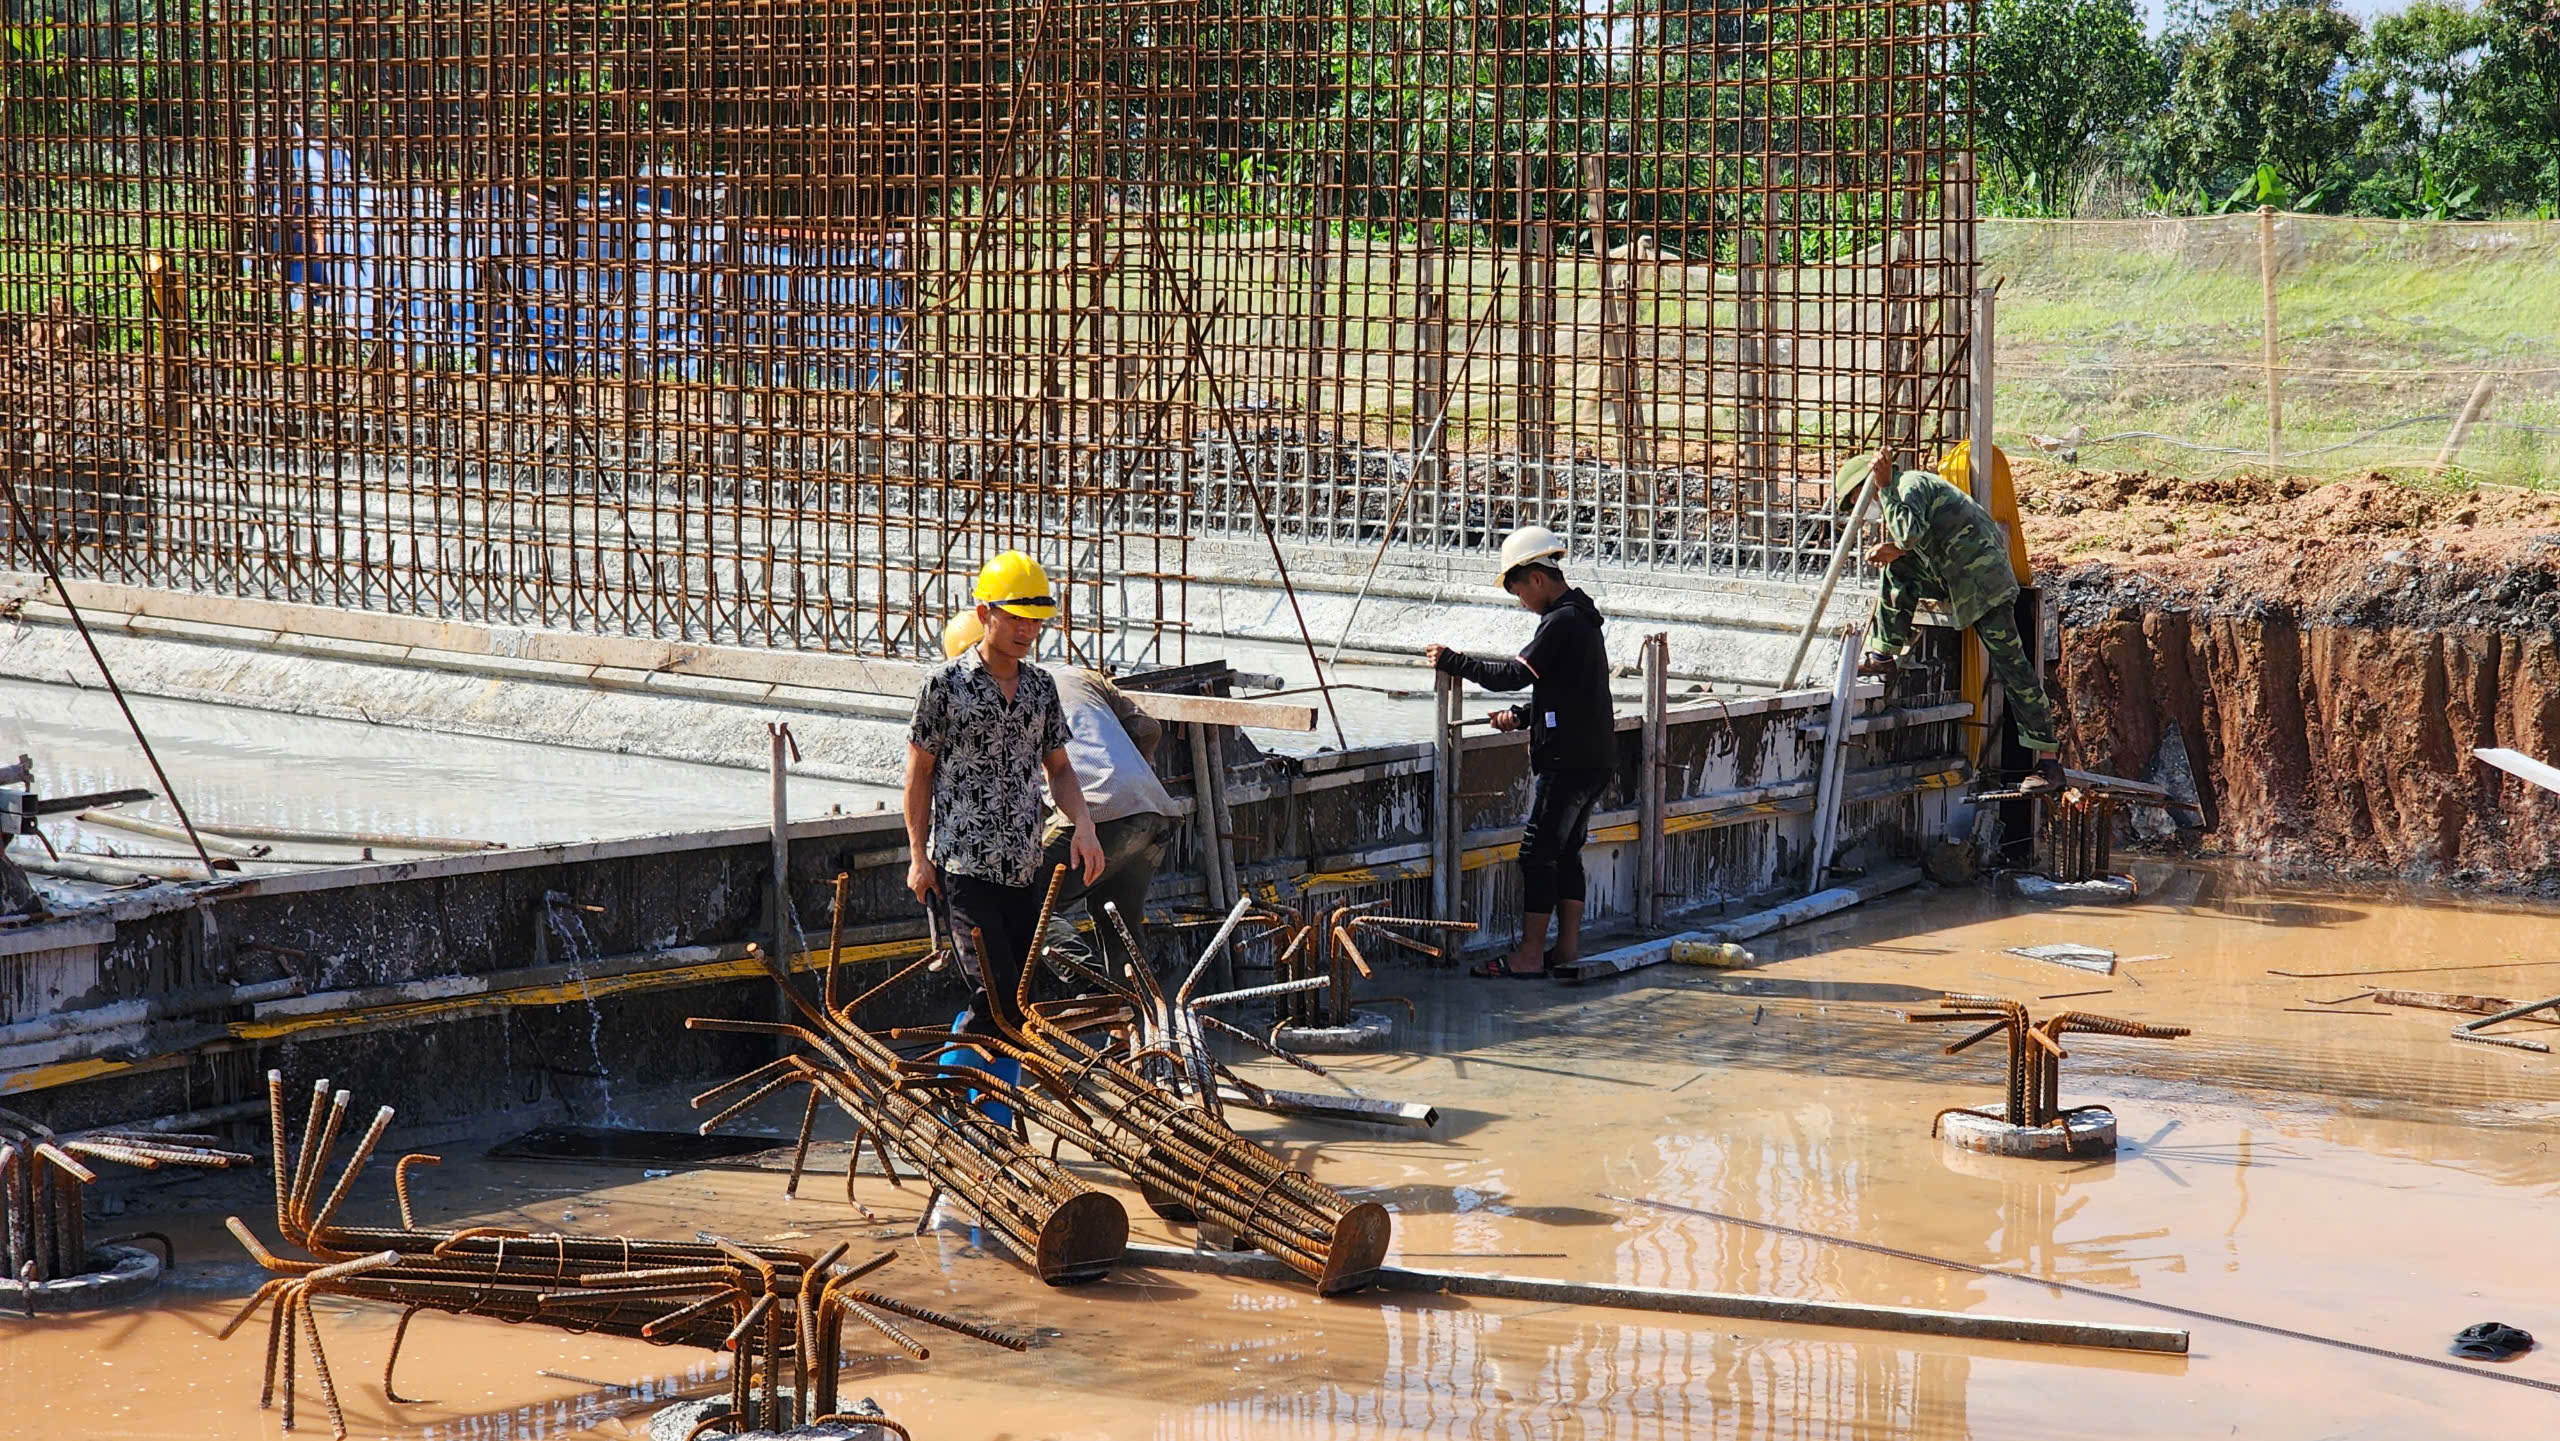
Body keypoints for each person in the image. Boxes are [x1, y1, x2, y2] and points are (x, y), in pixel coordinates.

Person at [904, 551, 1106, 1038]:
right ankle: (954, 1095)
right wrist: (916, 856)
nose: (1026, 630)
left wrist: (1083, 824)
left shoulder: (1040, 688)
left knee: (1017, 1002)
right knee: (995, 998)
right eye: (1015, 617)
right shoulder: (945, 687)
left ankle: (985, 1102)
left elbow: (1059, 769)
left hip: (1024, 868)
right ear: (983, 615)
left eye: (1034, 621)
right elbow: (918, 774)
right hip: (964, 871)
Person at [943, 611, 1179, 987]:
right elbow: (1147, 728)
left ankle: (1094, 990)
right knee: (1119, 924)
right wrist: (1130, 777)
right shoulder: (1076, 675)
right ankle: (1133, 1026)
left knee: (1022, 904)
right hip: (1156, 811)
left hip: (1096, 811)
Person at [1422, 525, 1614, 979]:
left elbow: (1513, 674)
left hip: (1568, 762)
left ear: (1538, 578)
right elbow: (1570, 694)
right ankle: (1565, 951)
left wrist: (1455, 662)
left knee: (1536, 855)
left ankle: (1528, 956)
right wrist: (1526, 717)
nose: (1521, 601)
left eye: (1519, 591)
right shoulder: (1583, 619)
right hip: (1593, 757)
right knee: (1565, 854)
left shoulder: (1562, 621)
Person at [1835, 447, 2064, 790]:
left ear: (1866, 485)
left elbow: (1910, 534)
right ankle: (1883, 654)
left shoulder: (1905, 487)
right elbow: (1920, 539)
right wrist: (1894, 550)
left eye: (1856, 501)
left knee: (2013, 667)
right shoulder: (1903, 493)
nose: (1860, 510)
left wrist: (1883, 489)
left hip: (1983, 582)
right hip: (1958, 577)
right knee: (1898, 568)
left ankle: (2048, 763)